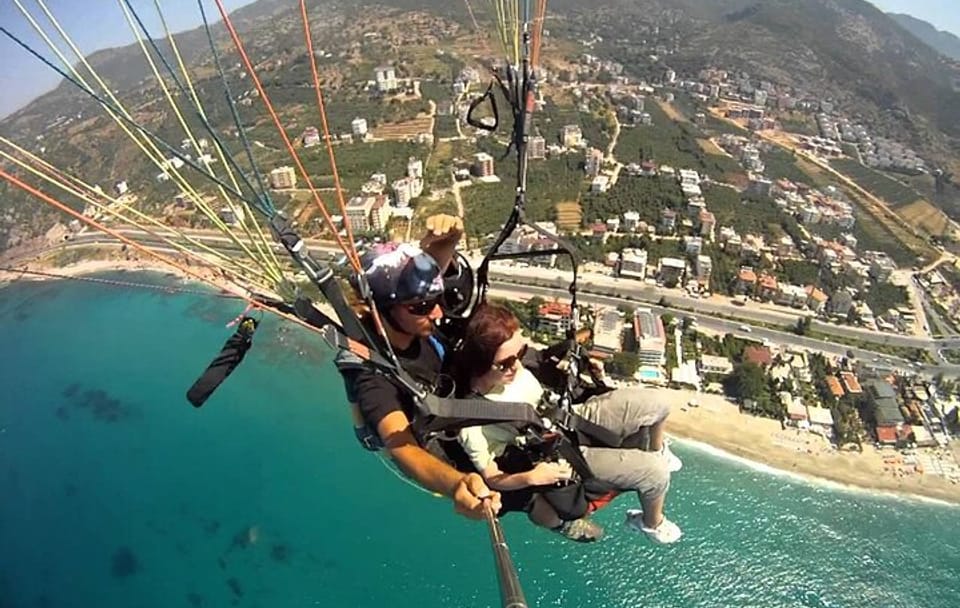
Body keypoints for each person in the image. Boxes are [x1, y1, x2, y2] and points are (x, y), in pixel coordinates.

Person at [455, 302, 684, 544]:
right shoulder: (473, 419)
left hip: (569, 416)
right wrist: (532, 477)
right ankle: (650, 524)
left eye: (520, 355)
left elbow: (545, 374)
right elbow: (491, 477)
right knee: (656, 474)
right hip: (557, 451)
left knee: (659, 403)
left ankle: (657, 450)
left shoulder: (514, 368)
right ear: (480, 364)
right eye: (505, 364)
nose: (517, 366)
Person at [342, 214, 501, 520]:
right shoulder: (374, 376)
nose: (438, 311)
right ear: (382, 311)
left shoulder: (412, 320)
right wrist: (457, 485)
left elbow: (424, 278)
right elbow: (401, 446)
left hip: (460, 397)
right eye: (424, 306)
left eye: (436, 300)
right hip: (451, 442)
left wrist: (450, 241)